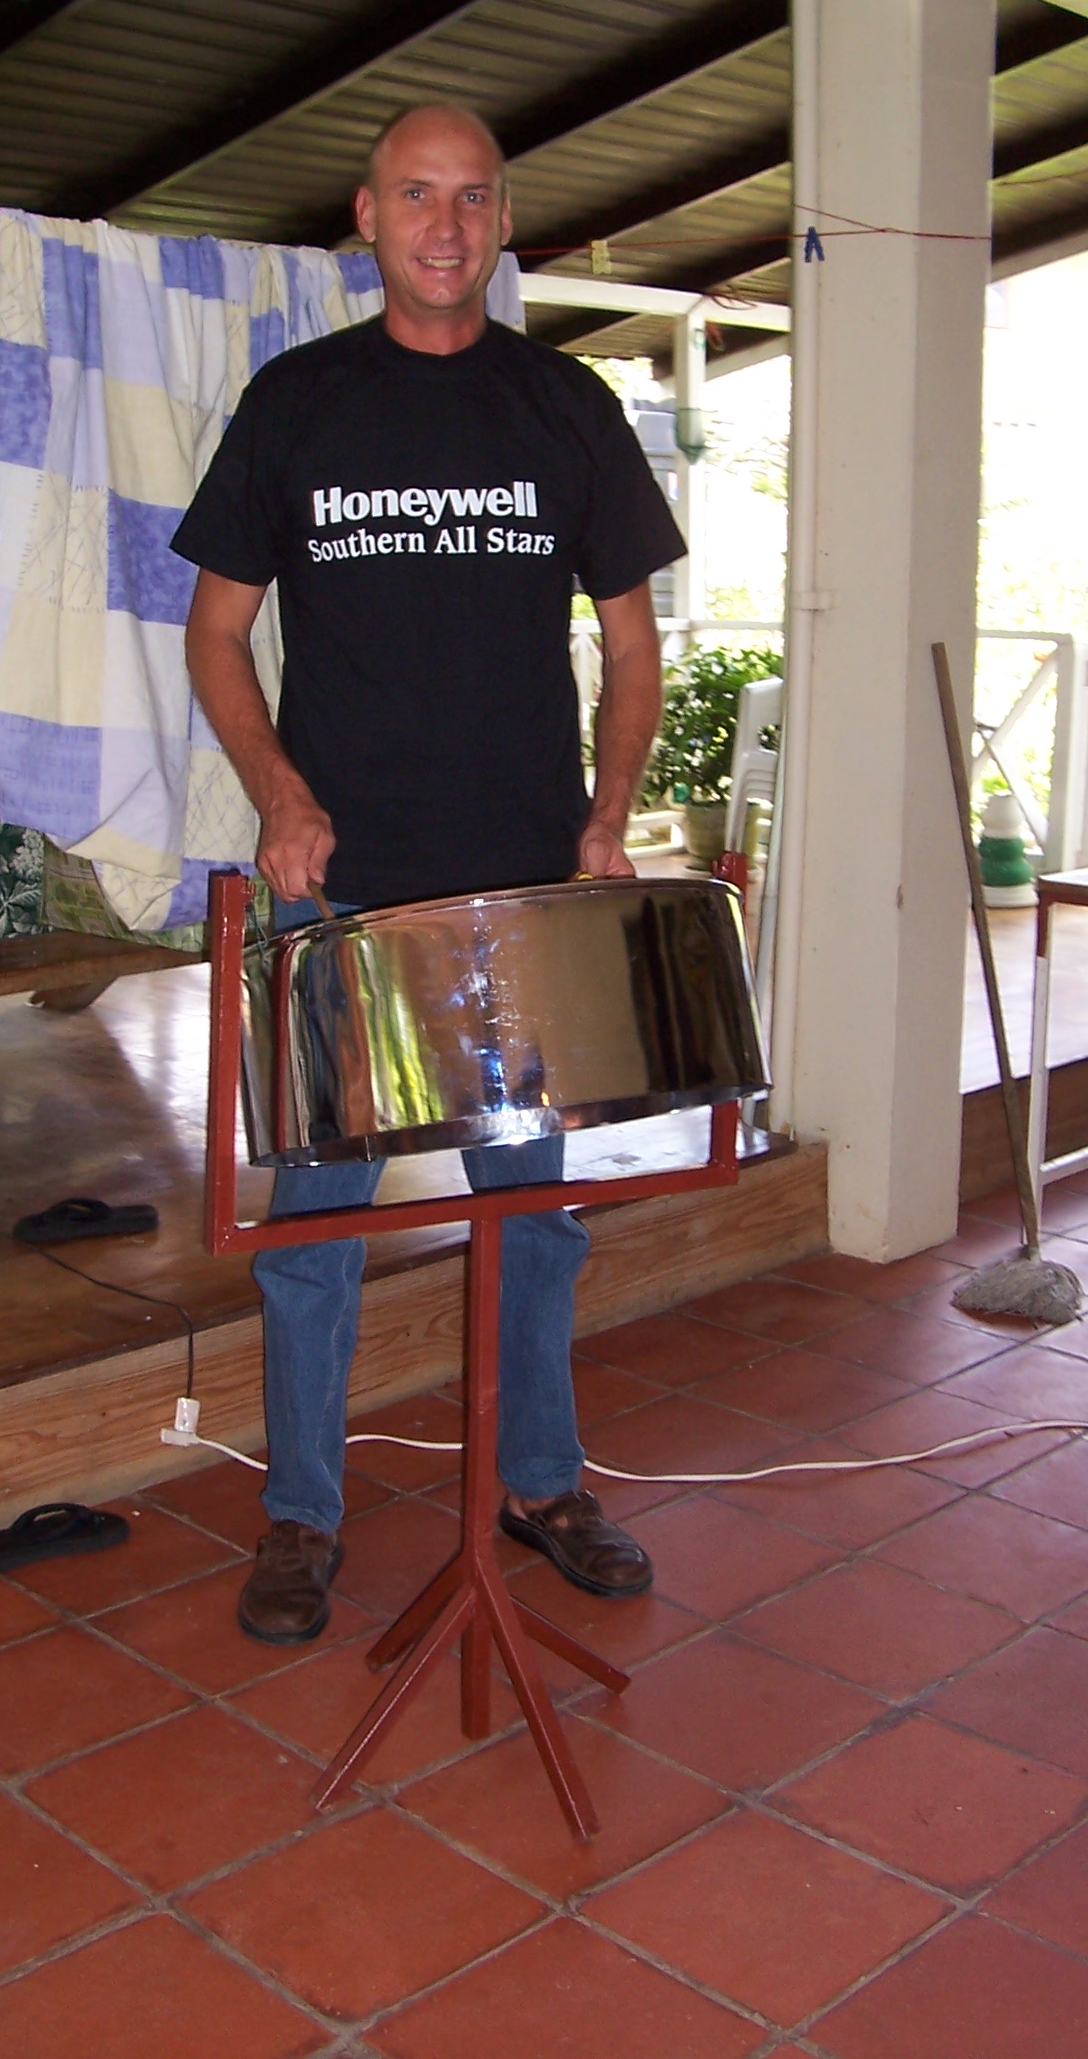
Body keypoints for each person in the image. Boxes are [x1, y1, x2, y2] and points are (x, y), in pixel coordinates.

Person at [173, 103, 686, 1644]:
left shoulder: (566, 406)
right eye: (417, 195)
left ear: (503, 221)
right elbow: (216, 633)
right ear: (370, 216)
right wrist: (280, 796)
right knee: (315, 1222)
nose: (446, 226)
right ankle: (301, 1513)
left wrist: (608, 814)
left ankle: (541, 1482)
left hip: (522, 894)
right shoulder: (298, 403)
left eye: (472, 199)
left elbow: (635, 646)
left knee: (533, 1212)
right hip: (341, 894)